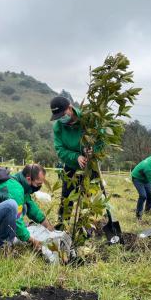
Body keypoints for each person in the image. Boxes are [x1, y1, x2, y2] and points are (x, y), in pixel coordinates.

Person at [50, 96, 102, 228]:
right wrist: (76, 157)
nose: (61, 118)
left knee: (87, 199)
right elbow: (60, 150)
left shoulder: (88, 120)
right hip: (71, 167)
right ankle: (62, 226)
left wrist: (93, 151)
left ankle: (83, 229)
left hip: (90, 168)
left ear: (70, 108)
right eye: (58, 117)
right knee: (66, 199)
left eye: (63, 114)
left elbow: (101, 140)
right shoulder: (58, 127)